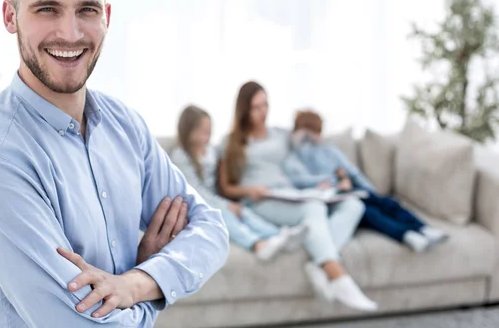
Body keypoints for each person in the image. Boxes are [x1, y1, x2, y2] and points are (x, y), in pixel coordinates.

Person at [0, 0, 229, 328]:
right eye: (47, 9)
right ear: (11, 17)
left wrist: (134, 282)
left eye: (87, 10)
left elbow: (211, 231)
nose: (70, 33)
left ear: (106, 16)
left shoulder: (124, 125)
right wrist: (151, 293)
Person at [218, 81, 377, 311]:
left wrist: (325, 178)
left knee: (353, 205)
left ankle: (317, 263)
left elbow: (306, 157)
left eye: (266, 105)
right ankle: (338, 276)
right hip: (260, 200)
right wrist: (250, 190)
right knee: (314, 209)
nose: (263, 112)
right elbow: (225, 188)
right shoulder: (231, 142)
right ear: (244, 110)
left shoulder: (281, 135)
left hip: (291, 193)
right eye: (256, 107)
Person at [284, 110, 449, 253]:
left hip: (352, 188)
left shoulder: (329, 150)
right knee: (370, 213)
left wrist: (370, 191)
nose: (316, 137)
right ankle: (407, 235)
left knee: (387, 203)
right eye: (312, 132)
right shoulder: (294, 157)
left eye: (318, 132)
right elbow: (300, 180)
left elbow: (351, 171)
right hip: (333, 198)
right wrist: (334, 180)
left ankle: (423, 229)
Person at [170, 105, 308, 261]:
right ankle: (257, 244)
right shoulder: (181, 155)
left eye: (209, 131)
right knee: (225, 216)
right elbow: (196, 191)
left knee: (243, 212)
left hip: (214, 201)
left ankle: (278, 235)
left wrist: (229, 203)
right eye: (203, 132)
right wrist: (224, 204)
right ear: (189, 132)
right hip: (196, 205)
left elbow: (218, 185)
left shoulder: (210, 151)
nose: (207, 136)